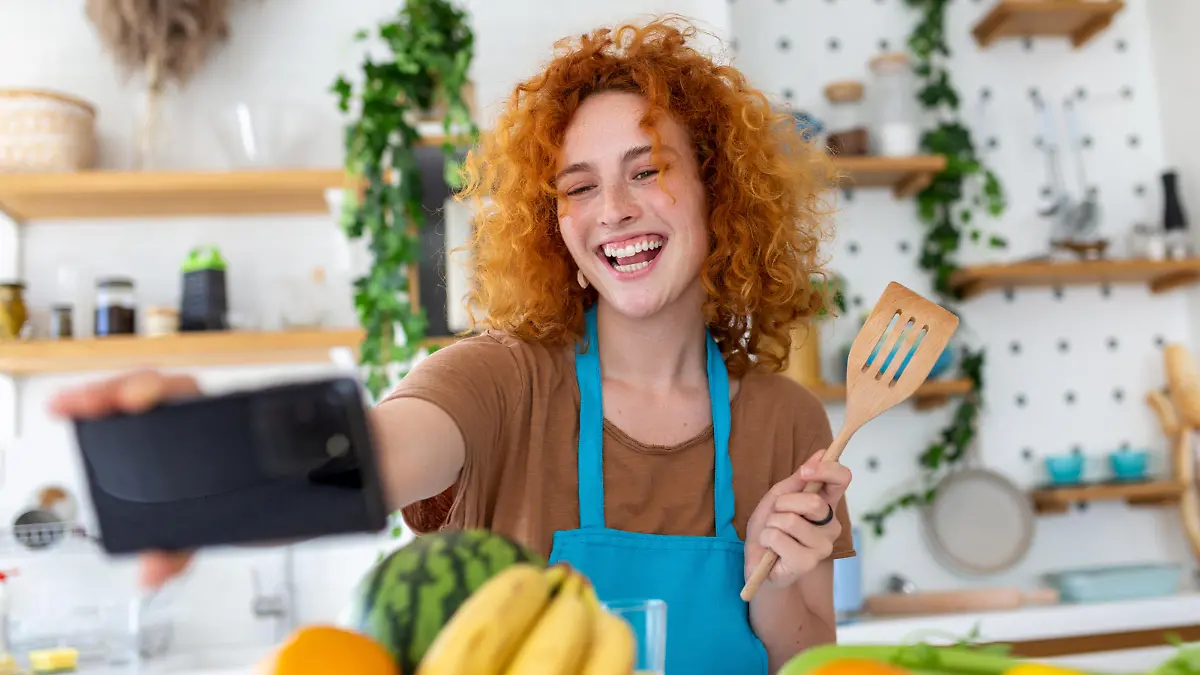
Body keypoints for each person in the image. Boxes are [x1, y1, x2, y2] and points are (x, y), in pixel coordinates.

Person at [49, 15, 854, 674]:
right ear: (553, 224)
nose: (612, 208)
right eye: (577, 186)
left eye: (647, 171)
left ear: (720, 190)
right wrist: (215, 458)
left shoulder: (788, 421)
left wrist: (781, 585)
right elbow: (366, 455)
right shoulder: (500, 380)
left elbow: (811, 653)